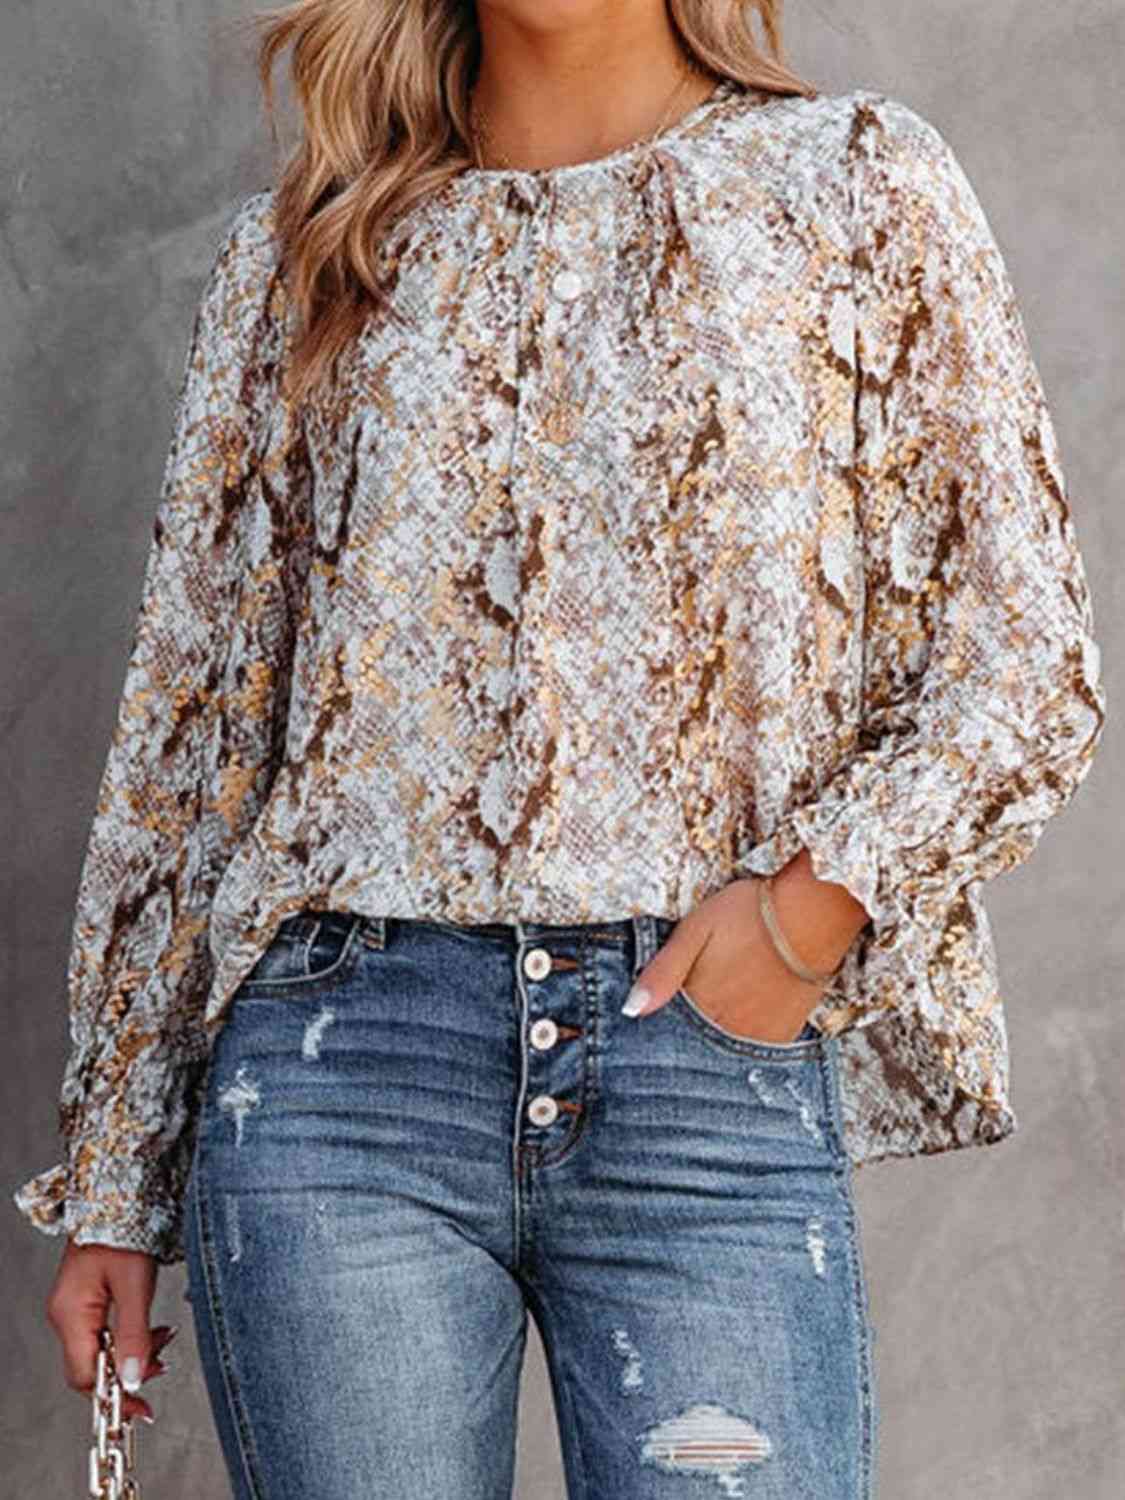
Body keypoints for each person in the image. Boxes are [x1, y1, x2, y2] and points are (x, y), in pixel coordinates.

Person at [15, 2, 1107, 1497]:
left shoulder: (855, 182)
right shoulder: (304, 252)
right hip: (341, 1079)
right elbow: (190, 741)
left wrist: (805, 917)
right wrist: (117, 1184)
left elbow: (1024, 663)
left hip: (700, 1067)